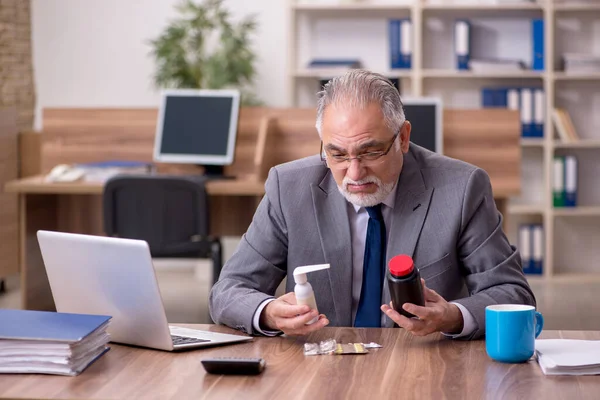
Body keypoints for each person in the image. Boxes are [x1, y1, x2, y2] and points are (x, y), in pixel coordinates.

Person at [209, 69, 535, 340]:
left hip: (419, 366)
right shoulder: (288, 187)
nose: (354, 172)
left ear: (403, 137)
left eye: (370, 152)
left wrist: (450, 316)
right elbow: (229, 290)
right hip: (320, 366)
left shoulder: (462, 188)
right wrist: (268, 313)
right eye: (337, 154)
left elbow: (512, 294)